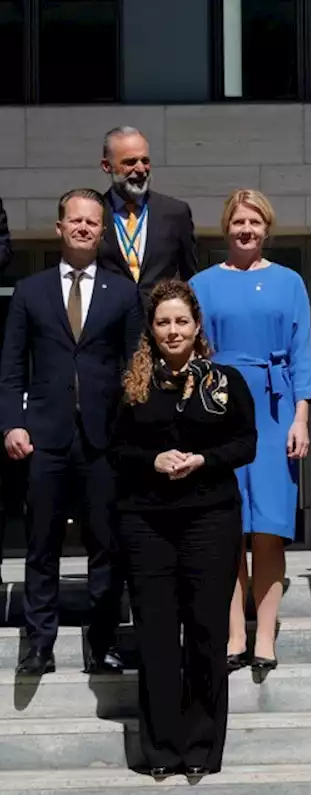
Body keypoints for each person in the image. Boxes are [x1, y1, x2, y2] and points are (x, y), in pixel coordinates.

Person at [110, 280, 256, 779]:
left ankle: (200, 748)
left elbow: (246, 443)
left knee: (204, 632)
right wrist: (153, 459)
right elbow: (115, 451)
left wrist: (202, 459)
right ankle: (161, 751)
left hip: (209, 518)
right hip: (146, 523)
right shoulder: (131, 384)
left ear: (197, 328)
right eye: (163, 322)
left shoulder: (225, 381)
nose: (173, 330)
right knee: (154, 635)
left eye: (181, 321)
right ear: (151, 330)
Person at [0, 188, 142, 675]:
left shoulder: (123, 293)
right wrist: (11, 423)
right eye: (75, 221)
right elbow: (12, 367)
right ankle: (39, 643)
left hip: (105, 440)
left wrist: (135, 432)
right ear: (59, 227)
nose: (83, 228)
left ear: (104, 232)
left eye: (92, 222)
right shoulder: (29, 291)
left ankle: (101, 642)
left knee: (107, 544)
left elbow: (136, 368)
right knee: (42, 544)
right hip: (44, 436)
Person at [190, 189, 311, 673]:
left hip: (275, 405)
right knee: (227, 527)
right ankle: (234, 633)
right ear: (226, 226)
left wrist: (301, 417)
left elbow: (303, 353)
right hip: (219, 405)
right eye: (239, 221)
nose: (247, 230)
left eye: (256, 222)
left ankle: (265, 636)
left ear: (267, 228)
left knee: (268, 528)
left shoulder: (289, 283)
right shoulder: (201, 283)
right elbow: (192, 351)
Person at [97, 127, 198, 292]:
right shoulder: (95, 213)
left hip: (158, 315)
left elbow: (190, 276)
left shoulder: (175, 212)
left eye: (145, 161)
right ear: (107, 166)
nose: (141, 169)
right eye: (130, 162)